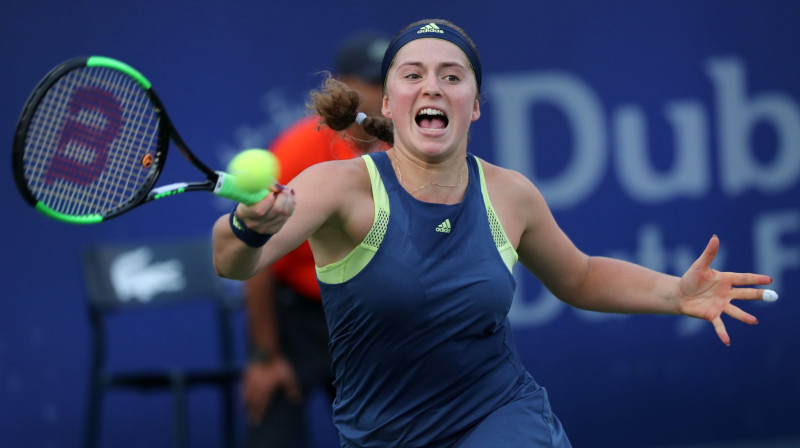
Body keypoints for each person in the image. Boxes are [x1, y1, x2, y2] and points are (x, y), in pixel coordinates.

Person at [213, 18, 778, 448]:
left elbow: (578, 276)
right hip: (381, 434)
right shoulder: (339, 187)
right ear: (388, 102)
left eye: (451, 77)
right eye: (413, 75)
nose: (432, 87)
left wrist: (674, 294)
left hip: (501, 415)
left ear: (475, 105)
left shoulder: (510, 194)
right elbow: (230, 261)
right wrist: (248, 226)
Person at [240, 33, 389, 448]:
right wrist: (265, 357)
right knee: (272, 429)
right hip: (294, 319)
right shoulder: (300, 148)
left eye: (388, 82)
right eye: (370, 82)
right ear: (342, 86)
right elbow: (258, 260)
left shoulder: (400, 152)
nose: (381, 95)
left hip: (359, 317)